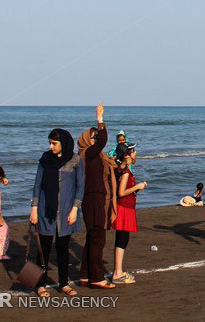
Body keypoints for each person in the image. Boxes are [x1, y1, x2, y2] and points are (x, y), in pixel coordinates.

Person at [31, 127, 83, 297]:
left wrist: (75, 209)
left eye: (54, 143)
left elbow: (80, 187)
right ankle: (40, 284)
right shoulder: (45, 159)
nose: (51, 147)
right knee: (43, 249)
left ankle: (63, 283)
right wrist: (34, 209)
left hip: (66, 212)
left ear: (63, 143)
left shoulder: (75, 160)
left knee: (63, 249)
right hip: (45, 211)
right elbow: (37, 185)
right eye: (50, 143)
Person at [78, 103, 117, 290]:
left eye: (96, 136)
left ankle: (85, 275)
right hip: (93, 199)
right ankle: (97, 278)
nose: (96, 139)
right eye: (93, 137)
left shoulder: (97, 156)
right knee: (98, 239)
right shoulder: (88, 153)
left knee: (92, 237)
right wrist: (100, 118)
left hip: (95, 198)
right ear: (87, 139)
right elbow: (103, 140)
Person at [112, 144, 146, 284]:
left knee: (122, 238)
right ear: (126, 155)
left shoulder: (122, 169)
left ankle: (117, 271)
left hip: (125, 207)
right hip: (124, 208)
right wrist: (137, 186)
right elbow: (121, 192)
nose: (135, 153)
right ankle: (117, 273)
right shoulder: (125, 172)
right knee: (122, 239)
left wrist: (135, 189)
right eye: (133, 151)